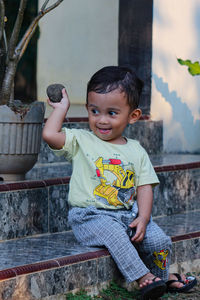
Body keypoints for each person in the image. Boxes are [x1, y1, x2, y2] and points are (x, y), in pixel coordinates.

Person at [43, 66, 197, 299]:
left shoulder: (136, 150)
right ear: (87, 109)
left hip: (127, 214)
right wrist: (61, 110)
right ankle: (143, 278)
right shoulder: (81, 140)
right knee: (115, 234)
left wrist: (143, 218)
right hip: (90, 216)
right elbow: (50, 135)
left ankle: (161, 278)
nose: (101, 120)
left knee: (159, 241)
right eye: (95, 111)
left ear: (133, 116)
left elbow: (144, 186)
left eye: (112, 113)